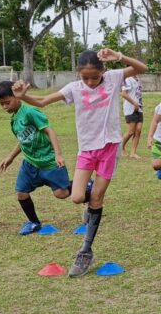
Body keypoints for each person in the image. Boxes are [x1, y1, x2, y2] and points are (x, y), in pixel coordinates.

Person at [12, 48, 147, 276]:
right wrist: (22, 96)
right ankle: (90, 196)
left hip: (109, 147)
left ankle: (86, 250)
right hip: (86, 150)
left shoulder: (113, 78)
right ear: (78, 74)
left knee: (97, 198)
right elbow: (43, 101)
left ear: (104, 71)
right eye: (85, 78)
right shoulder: (74, 88)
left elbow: (142, 68)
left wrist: (120, 58)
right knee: (76, 197)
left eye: (95, 77)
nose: (91, 82)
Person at [0, 80, 72, 235]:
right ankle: (34, 222)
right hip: (30, 163)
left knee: (61, 194)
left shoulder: (30, 112)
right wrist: (10, 157)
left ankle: (84, 185)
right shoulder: (14, 118)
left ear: (17, 97)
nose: (5, 107)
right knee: (21, 193)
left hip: (49, 161)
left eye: (7, 102)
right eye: (1, 104)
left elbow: (49, 131)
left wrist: (58, 154)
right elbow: (23, 140)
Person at [121, 74, 144, 159]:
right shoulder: (127, 79)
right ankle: (120, 148)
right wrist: (134, 103)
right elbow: (123, 94)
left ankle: (133, 153)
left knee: (138, 130)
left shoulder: (138, 78)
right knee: (131, 131)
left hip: (139, 108)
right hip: (130, 108)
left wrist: (138, 105)